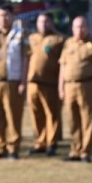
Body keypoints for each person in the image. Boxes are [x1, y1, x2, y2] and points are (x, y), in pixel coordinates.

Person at [0, 3, 28, 159]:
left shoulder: (21, 34)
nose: (4, 18)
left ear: (13, 17)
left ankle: (13, 148)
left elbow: (25, 59)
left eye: (7, 15)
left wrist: (23, 81)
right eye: (1, 15)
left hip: (12, 81)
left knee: (13, 116)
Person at [58, 15, 92, 163]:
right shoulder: (68, 43)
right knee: (72, 119)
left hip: (87, 85)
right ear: (72, 28)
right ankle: (75, 150)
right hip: (69, 85)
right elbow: (62, 66)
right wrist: (61, 87)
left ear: (88, 28)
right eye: (77, 27)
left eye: (83, 26)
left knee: (87, 119)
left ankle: (86, 151)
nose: (80, 30)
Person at [26, 11, 64, 155]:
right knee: (36, 113)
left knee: (51, 114)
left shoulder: (59, 39)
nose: (43, 24)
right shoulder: (32, 38)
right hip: (32, 82)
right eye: (41, 21)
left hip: (50, 82)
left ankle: (52, 142)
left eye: (46, 21)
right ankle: (40, 142)